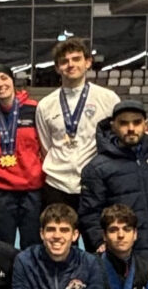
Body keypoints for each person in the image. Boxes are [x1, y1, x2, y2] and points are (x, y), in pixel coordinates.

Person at [35, 37, 119, 213]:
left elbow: (114, 141)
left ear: (88, 62)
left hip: (94, 183)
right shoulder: (45, 105)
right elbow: (46, 147)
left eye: (76, 59)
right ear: (58, 68)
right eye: (64, 61)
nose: (70, 65)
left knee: (94, 238)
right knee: (57, 238)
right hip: (57, 185)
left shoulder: (108, 99)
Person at [0, 64, 43, 248]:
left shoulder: (34, 109)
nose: (0, 84)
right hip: (1, 191)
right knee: (2, 244)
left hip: (32, 189)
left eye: (4, 78)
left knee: (32, 243)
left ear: (12, 81)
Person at [80, 100, 148, 256]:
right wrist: (99, 241)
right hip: (125, 254)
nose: (131, 128)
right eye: (124, 123)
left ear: (146, 124)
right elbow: (90, 213)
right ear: (113, 126)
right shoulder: (97, 168)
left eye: (137, 122)